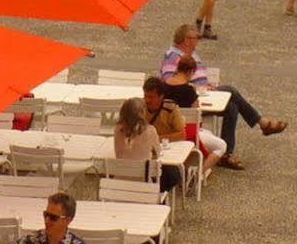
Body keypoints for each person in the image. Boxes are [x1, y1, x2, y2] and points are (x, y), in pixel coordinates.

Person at [159, 25, 286, 172]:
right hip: (190, 101)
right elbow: (170, 80)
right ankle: (261, 122)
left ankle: (226, 154)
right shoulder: (173, 56)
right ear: (186, 40)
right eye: (196, 38)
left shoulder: (191, 54)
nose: (198, 42)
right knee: (230, 90)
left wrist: (208, 86)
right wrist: (197, 88)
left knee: (232, 107)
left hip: (206, 96)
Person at [142, 75, 228, 175]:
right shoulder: (140, 109)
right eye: (145, 96)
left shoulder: (171, 108)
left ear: (161, 97)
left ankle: (200, 173)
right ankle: (201, 173)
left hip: (167, 149)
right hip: (149, 152)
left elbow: (182, 135)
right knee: (220, 144)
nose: (147, 100)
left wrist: (155, 138)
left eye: (151, 97)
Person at [111, 98, 182, 196]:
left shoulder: (117, 130)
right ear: (142, 112)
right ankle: (161, 197)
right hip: (143, 179)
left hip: (120, 178)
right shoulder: (150, 130)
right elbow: (157, 153)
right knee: (173, 172)